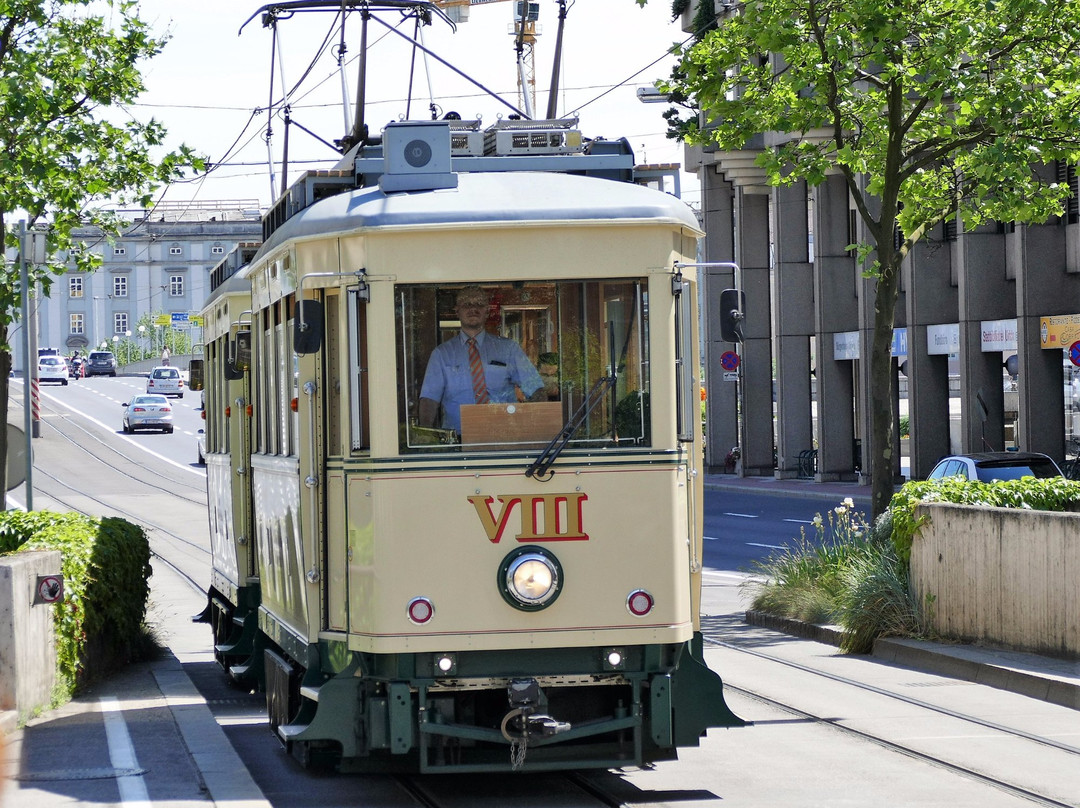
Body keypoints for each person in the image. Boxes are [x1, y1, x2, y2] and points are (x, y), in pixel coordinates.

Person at [418, 285, 544, 433]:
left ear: (487, 311)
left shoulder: (509, 349)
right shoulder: (441, 354)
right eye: (467, 304)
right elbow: (429, 400)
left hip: (505, 436)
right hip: (457, 440)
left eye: (479, 304)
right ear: (457, 311)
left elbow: (536, 389)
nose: (473, 308)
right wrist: (425, 438)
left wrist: (539, 428)